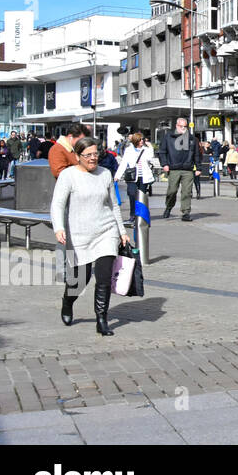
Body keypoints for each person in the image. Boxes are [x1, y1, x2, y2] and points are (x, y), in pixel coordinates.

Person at [52, 137, 132, 336]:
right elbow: (58, 204)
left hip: (106, 232)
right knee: (80, 280)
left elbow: (113, 205)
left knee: (104, 277)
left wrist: (121, 231)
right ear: (78, 156)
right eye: (88, 155)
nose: (93, 158)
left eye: (96, 154)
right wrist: (59, 227)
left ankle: (101, 319)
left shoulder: (105, 173)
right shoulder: (68, 175)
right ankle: (67, 302)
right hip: (79, 234)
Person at [156, 117, 199, 221]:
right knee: (172, 191)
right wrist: (164, 164)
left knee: (187, 192)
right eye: (181, 126)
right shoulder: (168, 137)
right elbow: (162, 152)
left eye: (185, 126)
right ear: (176, 126)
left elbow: (197, 154)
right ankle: (169, 207)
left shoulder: (192, 139)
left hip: (187, 169)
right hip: (173, 168)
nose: (183, 128)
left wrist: (198, 167)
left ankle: (186, 212)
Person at [115, 132, 156, 223]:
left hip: (143, 177)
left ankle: (141, 215)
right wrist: (117, 175)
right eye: (140, 139)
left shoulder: (146, 149)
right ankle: (133, 215)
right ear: (136, 140)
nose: (142, 141)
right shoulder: (129, 150)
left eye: (142, 139)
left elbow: (150, 158)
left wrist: (150, 147)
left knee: (141, 196)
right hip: (132, 176)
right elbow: (124, 163)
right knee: (132, 194)